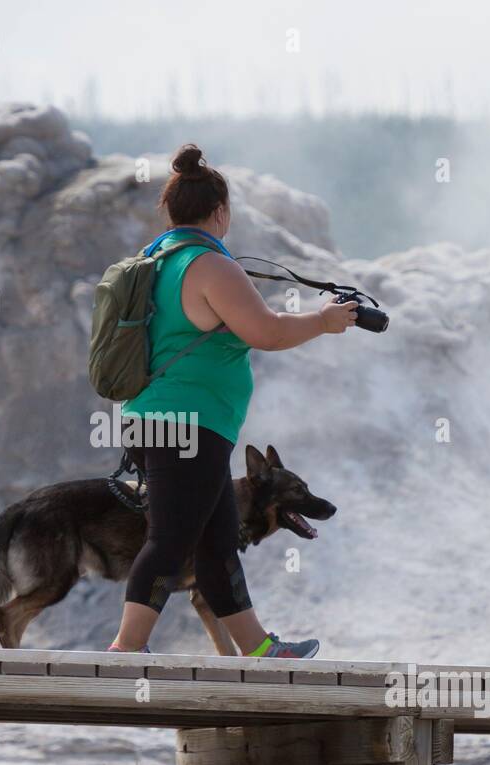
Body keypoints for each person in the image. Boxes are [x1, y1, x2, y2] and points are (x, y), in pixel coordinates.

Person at [110, 144, 358, 658]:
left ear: (171, 210)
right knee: (171, 540)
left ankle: (259, 649)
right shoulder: (209, 266)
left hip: (153, 420)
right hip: (187, 425)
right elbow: (265, 331)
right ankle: (126, 649)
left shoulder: (155, 262)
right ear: (220, 212)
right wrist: (324, 321)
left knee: (217, 541)